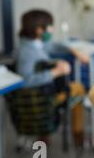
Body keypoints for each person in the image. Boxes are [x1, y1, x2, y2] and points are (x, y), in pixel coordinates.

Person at [15, 9, 89, 146]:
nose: (52, 29)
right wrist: (56, 71)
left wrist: (72, 50)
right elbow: (25, 81)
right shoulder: (28, 52)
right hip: (44, 97)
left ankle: (44, 134)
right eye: (50, 26)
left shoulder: (31, 44)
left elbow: (51, 45)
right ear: (39, 30)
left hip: (41, 94)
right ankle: (78, 135)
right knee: (79, 88)